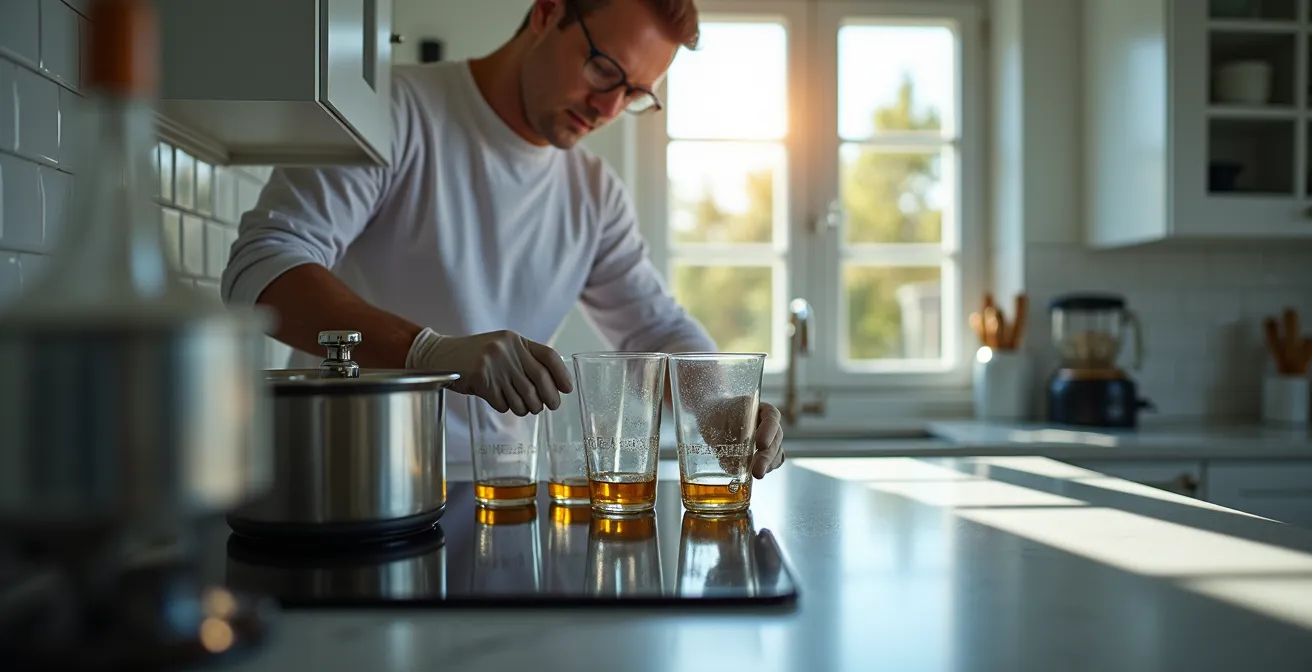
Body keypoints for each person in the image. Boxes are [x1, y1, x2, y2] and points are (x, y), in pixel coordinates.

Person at [220, 0, 785, 478]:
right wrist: (426, 353)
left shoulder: (592, 194)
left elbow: (656, 328)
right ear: (546, 13)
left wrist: (725, 403)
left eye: (635, 94)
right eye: (604, 71)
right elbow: (262, 270)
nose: (609, 107)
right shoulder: (395, 114)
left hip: (503, 495)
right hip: (356, 483)